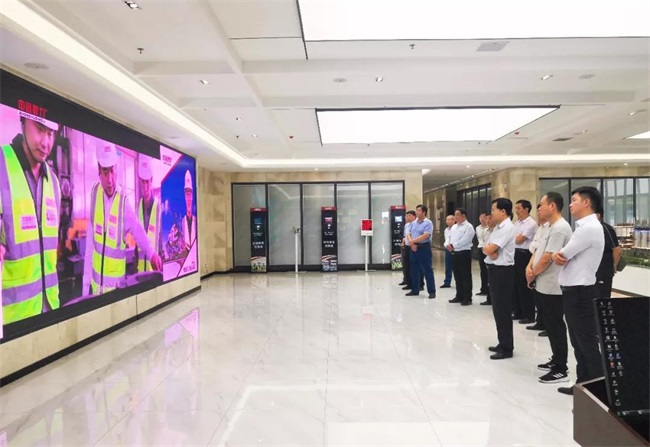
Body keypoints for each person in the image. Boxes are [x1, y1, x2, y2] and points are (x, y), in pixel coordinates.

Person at [0, 112, 61, 324]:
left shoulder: (54, 182)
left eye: (51, 133)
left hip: (50, 310)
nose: (46, 143)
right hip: (14, 320)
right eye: (40, 129)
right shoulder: (2, 166)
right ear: (23, 121)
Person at [83, 143, 162, 296]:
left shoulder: (123, 203)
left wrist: (152, 253)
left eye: (112, 170)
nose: (110, 179)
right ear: (99, 171)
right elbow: (90, 245)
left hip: (115, 291)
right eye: (105, 172)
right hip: (96, 289)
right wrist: (85, 288)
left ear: (117, 168)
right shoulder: (94, 194)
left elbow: (138, 230)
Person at [552, 186, 605, 396]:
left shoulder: (589, 228)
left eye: (574, 200)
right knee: (578, 341)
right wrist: (558, 256)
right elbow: (563, 256)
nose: (571, 204)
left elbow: (563, 254)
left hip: (581, 292)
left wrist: (557, 255)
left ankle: (598, 389)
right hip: (574, 291)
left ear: (586, 202)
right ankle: (583, 386)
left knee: (586, 342)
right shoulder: (584, 227)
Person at [527, 192, 572, 384]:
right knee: (550, 325)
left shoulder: (560, 228)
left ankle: (561, 368)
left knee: (556, 326)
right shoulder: (549, 227)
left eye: (542, 204)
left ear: (552, 206)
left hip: (553, 285)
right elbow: (538, 251)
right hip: (543, 283)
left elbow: (547, 258)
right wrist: (529, 268)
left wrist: (533, 273)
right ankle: (555, 359)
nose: (539, 208)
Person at [483, 198, 516, 360]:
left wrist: (489, 250)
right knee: (497, 309)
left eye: (493, 210)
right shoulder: (497, 227)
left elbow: (489, 248)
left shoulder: (507, 227)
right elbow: (486, 247)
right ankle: (502, 342)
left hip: (503, 272)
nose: (491, 213)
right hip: (495, 270)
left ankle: (506, 348)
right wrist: (489, 250)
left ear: (503, 211)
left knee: (502, 310)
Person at [513, 199, 539, 324]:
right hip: (515, 254)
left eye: (518, 208)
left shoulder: (531, 224)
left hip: (525, 255)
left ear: (526, 209)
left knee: (525, 286)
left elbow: (519, 240)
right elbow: (512, 238)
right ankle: (518, 312)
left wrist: (515, 237)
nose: (516, 211)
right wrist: (515, 237)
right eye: (516, 208)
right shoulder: (516, 223)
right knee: (516, 285)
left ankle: (528, 315)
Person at [136, 156, 161, 272]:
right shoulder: (137, 207)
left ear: (151, 181)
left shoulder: (158, 208)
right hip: (140, 269)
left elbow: (161, 242)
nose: (145, 187)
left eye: (147, 182)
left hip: (154, 269)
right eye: (142, 182)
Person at [526, 204, 548, 333]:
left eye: (540, 211)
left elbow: (542, 248)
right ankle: (540, 321)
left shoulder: (551, 228)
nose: (538, 214)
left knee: (546, 300)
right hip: (534, 260)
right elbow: (533, 245)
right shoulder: (540, 228)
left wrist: (536, 248)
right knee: (537, 296)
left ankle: (547, 325)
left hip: (544, 267)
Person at [405, 204, 436, 299]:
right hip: (413, 248)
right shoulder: (413, 223)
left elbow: (426, 235)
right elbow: (408, 233)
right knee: (414, 269)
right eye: (416, 210)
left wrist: (413, 241)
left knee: (427, 270)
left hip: (424, 247)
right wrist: (412, 243)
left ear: (424, 212)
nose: (417, 212)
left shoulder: (428, 223)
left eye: (419, 210)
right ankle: (415, 289)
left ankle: (431, 291)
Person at [447, 208, 475, 305]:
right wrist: (448, 245)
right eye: (455, 214)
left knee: (465, 275)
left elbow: (466, 239)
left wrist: (454, 245)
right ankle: (459, 295)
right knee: (457, 275)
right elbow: (450, 238)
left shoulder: (469, 227)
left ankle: (467, 297)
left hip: (464, 252)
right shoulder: (454, 227)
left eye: (457, 215)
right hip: (454, 252)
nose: (455, 217)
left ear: (463, 216)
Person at [595, 206, 621, 299]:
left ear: (598, 215)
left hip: (604, 270)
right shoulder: (589, 229)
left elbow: (616, 249)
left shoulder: (605, 228)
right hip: (593, 271)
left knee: (603, 298)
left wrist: (614, 265)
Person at [400, 210, 422, 290]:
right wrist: (403, 241)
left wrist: (413, 243)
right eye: (406, 216)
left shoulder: (417, 224)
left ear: (414, 216)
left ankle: (420, 284)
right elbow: (405, 236)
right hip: (407, 247)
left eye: (409, 215)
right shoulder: (406, 225)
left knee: (416, 267)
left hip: (414, 246)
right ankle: (409, 283)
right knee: (407, 266)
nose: (407, 217)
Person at [480, 214, 496, 306]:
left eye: (490, 218)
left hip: (496, 257)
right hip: (487, 256)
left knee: (494, 281)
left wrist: (490, 252)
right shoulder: (485, 231)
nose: (488, 220)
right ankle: (489, 298)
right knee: (488, 278)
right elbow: (482, 244)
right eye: (487, 218)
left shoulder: (498, 231)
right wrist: (488, 252)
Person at [476, 213, 490, 296]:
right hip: (481, 249)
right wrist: (482, 248)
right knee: (483, 270)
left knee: (488, 270)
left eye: (484, 217)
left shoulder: (490, 228)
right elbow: (480, 239)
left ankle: (488, 290)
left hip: (489, 249)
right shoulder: (478, 228)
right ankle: (483, 289)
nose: (482, 219)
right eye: (480, 217)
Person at [182, 170, 197, 250]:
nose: (188, 198)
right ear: (185, 197)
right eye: (187, 195)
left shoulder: (196, 221)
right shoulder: (182, 222)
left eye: (190, 194)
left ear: (192, 197)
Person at [440, 215, 455, 289]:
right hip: (448, 249)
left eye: (449, 220)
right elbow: (446, 239)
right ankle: (447, 282)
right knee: (448, 266)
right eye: (447, 220)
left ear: (454, 220)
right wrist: (446, 245)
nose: (448, 221)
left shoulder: (456, 228)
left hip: (455, 248)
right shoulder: (446, 230)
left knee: (456, 266)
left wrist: (452, 246)